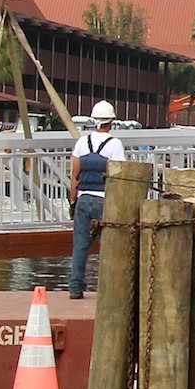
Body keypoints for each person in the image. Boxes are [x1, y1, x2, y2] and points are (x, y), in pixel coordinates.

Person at [68, 100, 125, 299]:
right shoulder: (114, 144)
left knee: (81, 246)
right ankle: (109, 290)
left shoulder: (81, 143)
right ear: (112, 121)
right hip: (105, 201)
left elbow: (75, 175)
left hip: (83, 199)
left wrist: (73, 201)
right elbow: (119, 176)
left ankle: (75, 288)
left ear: (93, 121)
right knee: (109, 247)